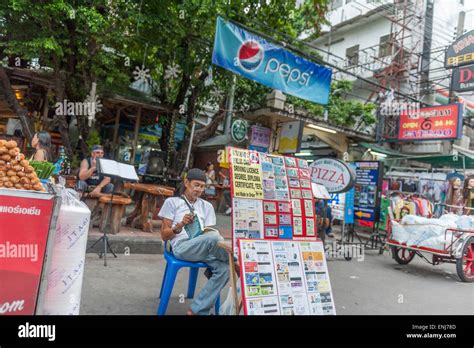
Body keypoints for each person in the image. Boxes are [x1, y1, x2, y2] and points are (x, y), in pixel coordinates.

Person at [158, 168, 229, 315]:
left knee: (224, 269)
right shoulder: (172, 202)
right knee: (215, 238)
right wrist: (180, 226)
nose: (199, 189)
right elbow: (164, 236)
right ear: (186, 182)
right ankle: (235, 261)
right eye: (196, 185)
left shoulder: (206, 206)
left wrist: (208, 235)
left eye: (202, 187)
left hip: (203, 248)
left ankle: (197, 310)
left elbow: (208, 234)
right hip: (181, 248)